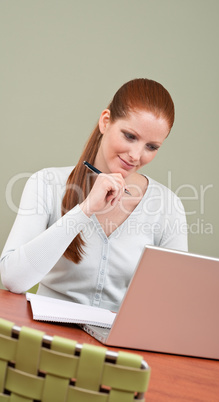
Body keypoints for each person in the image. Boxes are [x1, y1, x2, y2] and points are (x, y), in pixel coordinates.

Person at [0, 78, 188, 312]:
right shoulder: (46, 183)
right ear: (105, 121)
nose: (136, 155)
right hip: (46, 341)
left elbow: (171, 304)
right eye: (129, 136)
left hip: (118, 347)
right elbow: (13, 279)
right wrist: (85, 209)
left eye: (151, 147)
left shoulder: (168, 207)